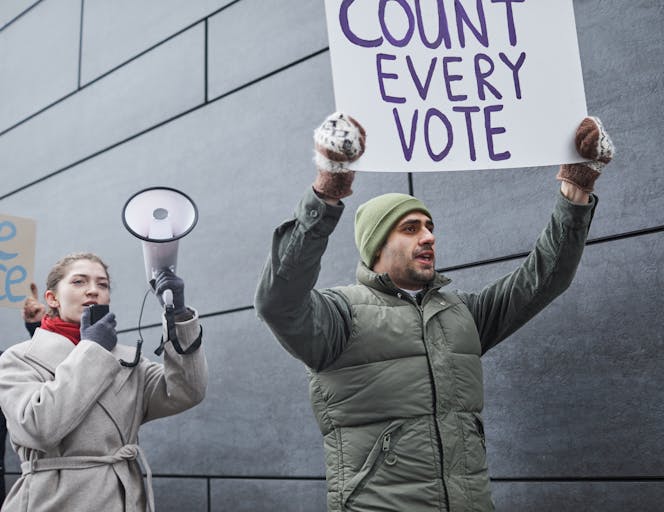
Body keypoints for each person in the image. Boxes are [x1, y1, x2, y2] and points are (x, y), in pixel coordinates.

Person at [255, 112, 614, 511]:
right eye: (410, 228)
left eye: (429, 226)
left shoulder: (460, 313)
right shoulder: (340, 317)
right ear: (375, 247)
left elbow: (545, 277)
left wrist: (576, 188)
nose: (429, 236)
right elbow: (278, 301)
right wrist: (328, 187)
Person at [0, 253, 208, 511]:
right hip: (51, 500)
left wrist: (178, 315)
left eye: (103, 284)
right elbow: (39, 428)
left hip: (122, 498)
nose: (93, 291)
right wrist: (93, 349)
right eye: (78, 282)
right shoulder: (18, 358)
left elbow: (187, 391)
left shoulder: (129, 359)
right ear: (52, 298)